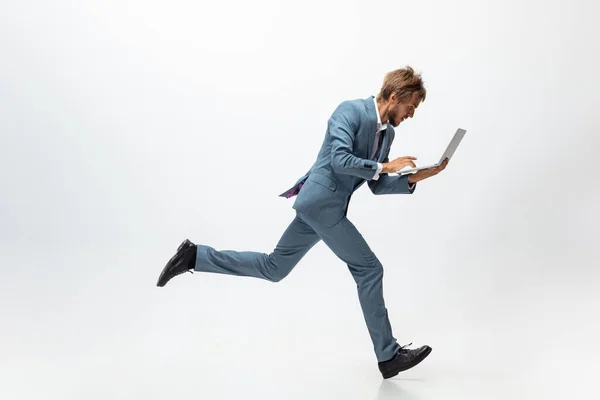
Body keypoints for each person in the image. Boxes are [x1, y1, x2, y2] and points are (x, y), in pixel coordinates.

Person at [156, 66, 449, 379]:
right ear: (394, 96)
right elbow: (340, 159)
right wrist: (384, 165)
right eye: (411, 107)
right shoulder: (349, 112)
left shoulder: (387, 134)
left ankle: (194, 255)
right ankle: (388, 355)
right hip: (322, 204)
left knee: (274, 268)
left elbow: (376, 183)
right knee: (369, 268)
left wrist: (416, 177)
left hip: (323, 208)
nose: (411, 114)